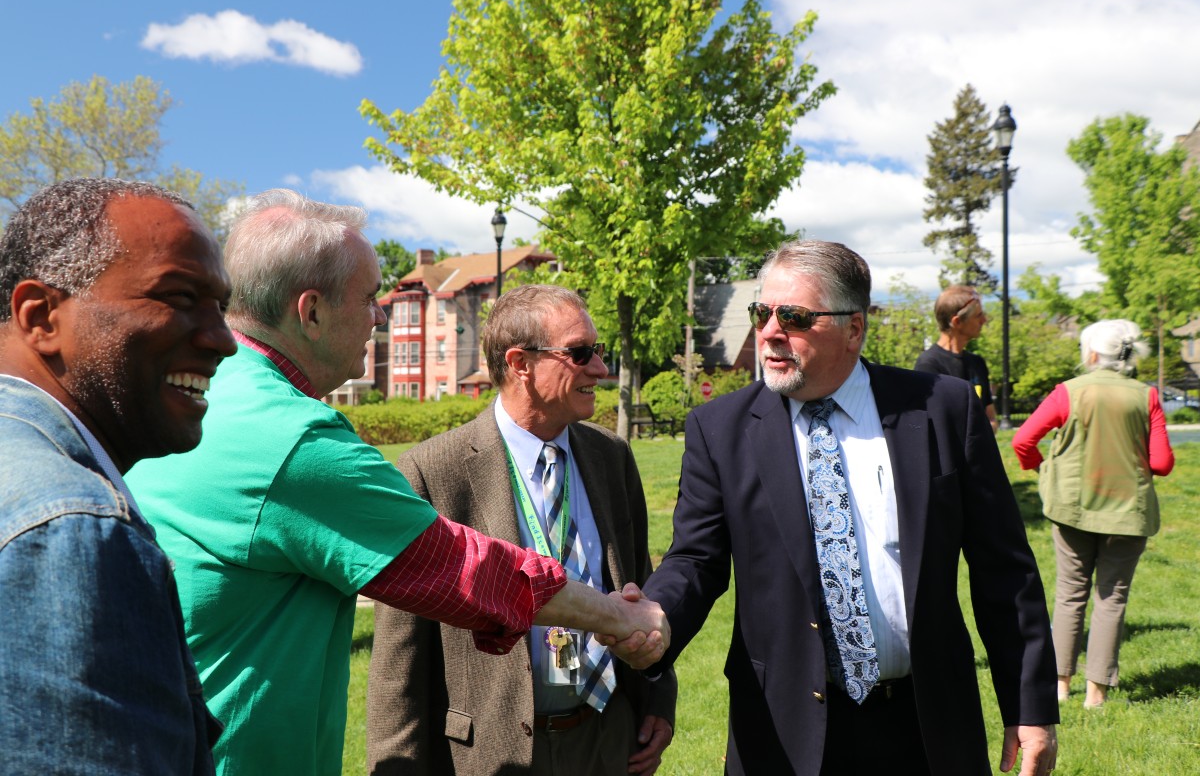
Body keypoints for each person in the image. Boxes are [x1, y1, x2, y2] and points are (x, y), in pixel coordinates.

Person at [125, 189, 668, 776]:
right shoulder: (293, 440)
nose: (381, 317)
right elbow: (466, 574)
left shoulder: (199, 399)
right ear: (310, 311)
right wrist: (626, 620)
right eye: (368, 299)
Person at [629, 240, 1059, 775]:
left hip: (926, 725)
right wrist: (656, 615)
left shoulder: (943, 410)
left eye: (794, 316)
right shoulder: (720, 429)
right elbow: (696, 559)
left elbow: (1005, 572)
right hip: (783, 731)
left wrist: (1030, 707)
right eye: (762, 312)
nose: (769, 331)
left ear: (854, 328)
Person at [367, 285, 677, 776]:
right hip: (494, 753)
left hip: (609, 739)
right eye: (580, 353)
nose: (600, 368)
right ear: (520, 363)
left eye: (599, 351)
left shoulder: (611, 456)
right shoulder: (432, 471)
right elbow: (399, 661)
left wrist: (658, 691)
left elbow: (640, 583)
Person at [0, 178, 235, 774]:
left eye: (221, 308)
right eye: (180, 296)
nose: (223, 341)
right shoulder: (70, 528)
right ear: (41, 316)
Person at [1012, 319, 1174, 709]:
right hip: (1127, 514)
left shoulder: (1069, 391)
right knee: (1111, 598)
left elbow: (1023, 441)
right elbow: (1162, 462)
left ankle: (1060, 686)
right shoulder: (1146, 395)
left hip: (1073, 508)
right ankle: (1097, 693)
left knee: (1070, 595)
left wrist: (1043, 468)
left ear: (1090, 354)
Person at [914, 284, 999, 431]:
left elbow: (990, 417)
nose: (984, 320)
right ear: (957, 322)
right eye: (978, 315)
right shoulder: (928, 365)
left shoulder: (977, 363)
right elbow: (928, 426)